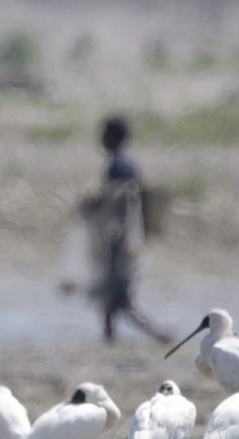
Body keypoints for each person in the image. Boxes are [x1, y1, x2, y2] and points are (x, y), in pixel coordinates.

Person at [62, 115, 172, 344]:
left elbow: (123, 198)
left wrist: (94, 202)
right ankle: (110, 338)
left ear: (112, 137)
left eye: (105, 134)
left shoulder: (118, 165)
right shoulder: (123, 163)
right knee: (110, 295)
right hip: (119, 238)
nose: (101, 138)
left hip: (119, 240)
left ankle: (157, 335)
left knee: (118, 297)